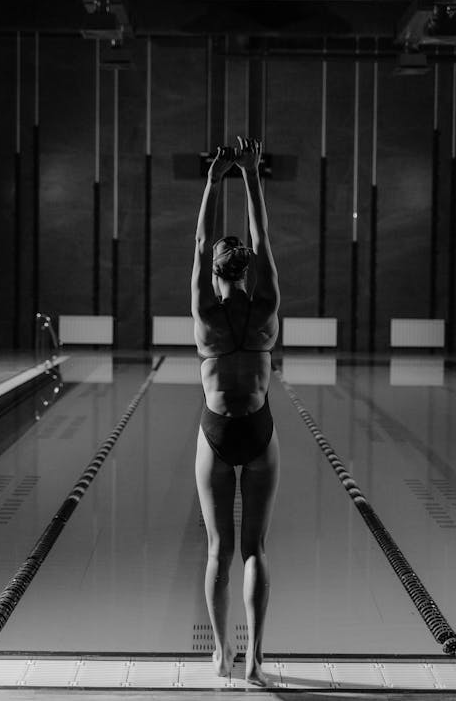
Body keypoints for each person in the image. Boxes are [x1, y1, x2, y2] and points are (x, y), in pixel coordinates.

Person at [191, 137, 280, 687]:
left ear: (217, 274)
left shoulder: (205, 312)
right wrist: (249, 174)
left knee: (218, 549)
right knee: (255, 548)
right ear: (247, 270)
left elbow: (201, 240)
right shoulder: (267, 307)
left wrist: (212, 179)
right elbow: (263, 234)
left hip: (217, 429)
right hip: (259, 428)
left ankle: (220, 654)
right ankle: (257, 657)